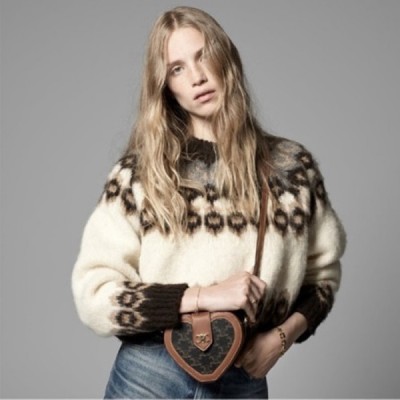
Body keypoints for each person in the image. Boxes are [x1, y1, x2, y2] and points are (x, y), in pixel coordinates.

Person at [72, 6, 346, 399]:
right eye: (177, 68)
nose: (197, 76)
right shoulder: (140, 174)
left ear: (227, 58)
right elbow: (95, 295)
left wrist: (281, 338)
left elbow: (323, 277)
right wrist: (201, 296)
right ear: (166, 86)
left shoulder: (291, 169)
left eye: (203, 56)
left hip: (243, 374)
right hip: (151, 372)